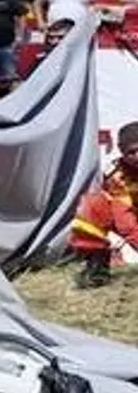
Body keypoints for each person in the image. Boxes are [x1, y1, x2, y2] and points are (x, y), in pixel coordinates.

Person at [68, 122, 138, 288]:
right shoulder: (116, 176)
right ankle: (96, 267)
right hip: (132, 220)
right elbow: (125, 222)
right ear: (121, 150)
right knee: (93, 205)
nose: (137, 156)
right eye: (131, 152)